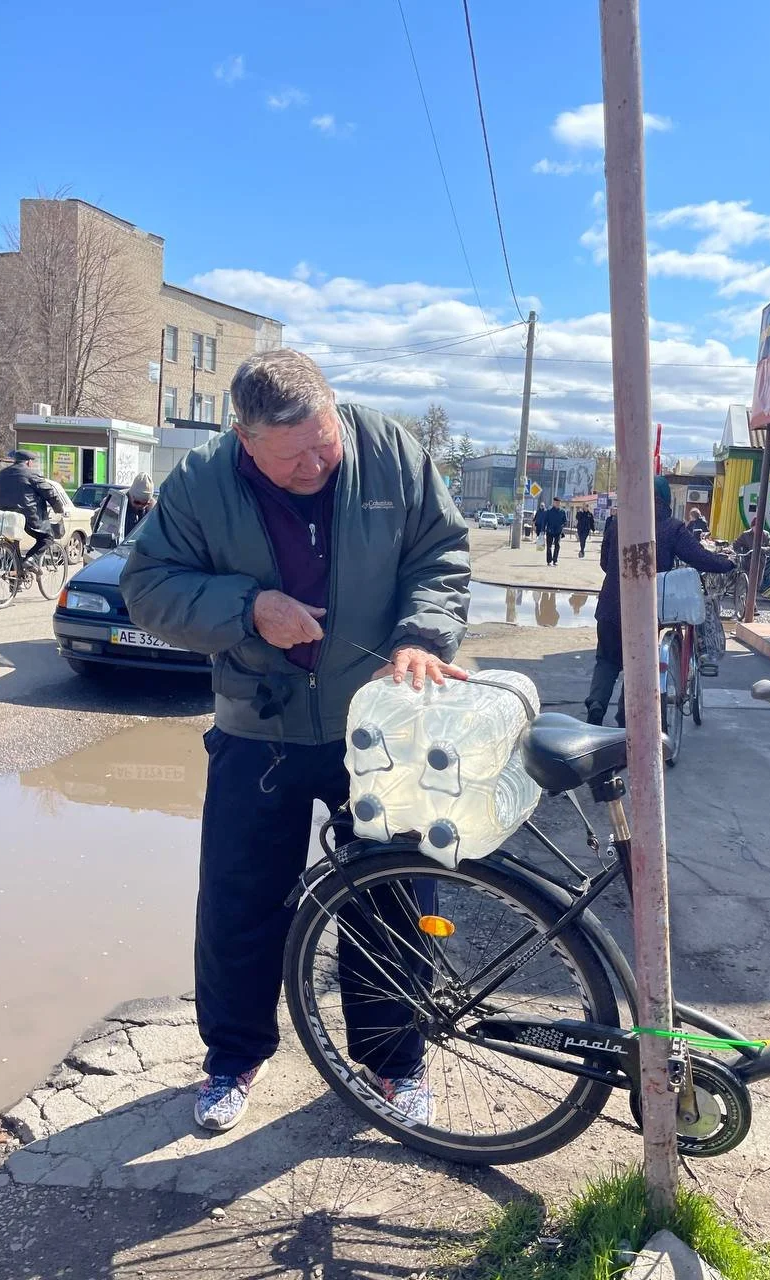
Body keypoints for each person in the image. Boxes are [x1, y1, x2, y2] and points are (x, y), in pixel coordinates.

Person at [121, 348, 471, 1134]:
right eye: (292, 457)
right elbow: (147, 587)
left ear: (334, 408)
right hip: (258, 726)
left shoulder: (390, 452)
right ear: (245, 440)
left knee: (393, 898)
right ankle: (233, 1059)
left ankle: (394, 1063)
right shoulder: (202, 482)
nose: (315, 465)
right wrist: (248, 609)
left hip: (378, 725)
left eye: (324, 443)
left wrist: (422, 637)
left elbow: (440, 556)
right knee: (241, 903)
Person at [585, 475, 735, 726]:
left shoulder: (619, 523)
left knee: (607, 660)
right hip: (643, 610)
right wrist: (727, 563)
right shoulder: (671, 527)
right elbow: (699, 558)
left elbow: (604, 562)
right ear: (666, 499)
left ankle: (597, 704)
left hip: (610, 607)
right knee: (637, 664)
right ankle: (625, 719)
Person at [0, 450, 66, 567]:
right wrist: (59, 508)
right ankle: (31, 559)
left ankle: (16, 574)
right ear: (29, 462)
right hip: (26, 515)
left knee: (13, 541)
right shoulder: (31, 474)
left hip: (1, 515)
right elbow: (49, 493)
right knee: (47, 537)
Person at [732, 516, 770, 596]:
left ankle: (751, 599)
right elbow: (736, 544)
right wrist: (737, 553)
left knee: (757, 583)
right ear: (752, 526)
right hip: (748, 561)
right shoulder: (746, 534)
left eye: (760, 527)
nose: (757, 529)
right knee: (747, 581)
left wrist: (761, 549)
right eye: (755, 527)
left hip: (760, 561)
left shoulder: (765, 534)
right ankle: (745, 597)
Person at [544, 496, 567, 566]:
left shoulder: (562, 512)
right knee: (549, 546)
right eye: (556, 502)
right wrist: (542, 530)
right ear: (553, 503)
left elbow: (565, 521)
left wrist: (562, 526)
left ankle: (555, 560)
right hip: (550, 531)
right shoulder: (549, 511)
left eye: (559, 503)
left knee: (557, 546)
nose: (557, 504)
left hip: (558, 531)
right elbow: (545, 521)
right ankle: (549, 560)